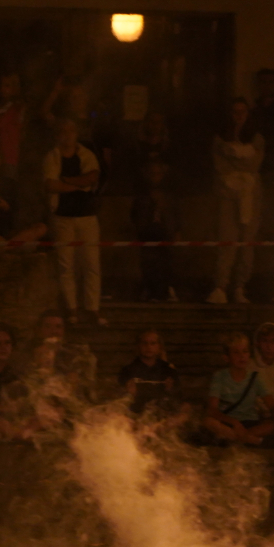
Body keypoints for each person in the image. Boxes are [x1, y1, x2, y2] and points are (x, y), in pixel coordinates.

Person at [44, 118, 105, 325]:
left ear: (77, 133)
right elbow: (51, 185)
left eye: (71, 130)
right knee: (66, 265)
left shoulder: (86, 155)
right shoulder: (52, 156)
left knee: (91, 264)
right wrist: (79, 185)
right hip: (63, 217)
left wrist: (67, 180)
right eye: (64, 131)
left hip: (87, 217)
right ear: (58, 134)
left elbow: (92, 178)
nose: (68, 135)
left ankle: (92, 308)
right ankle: (72, 309)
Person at [208, 98, 264, 305]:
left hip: (250, 195)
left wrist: (234, 157)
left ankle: (240, 286)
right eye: (235, 111)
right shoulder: (219, 138)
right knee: (226, 240)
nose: (239, 115)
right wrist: (239, 161)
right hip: (226, 193)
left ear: (248, 114)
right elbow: (220, 164)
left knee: (246, 242)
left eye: (243, 111)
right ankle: (221, 286)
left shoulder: (256, 137)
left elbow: (254, 163)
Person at [203, 332, 274, 446]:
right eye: (236, 352)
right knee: (209, 422)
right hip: (228, 422)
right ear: (226, 358)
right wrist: (234, 423)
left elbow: (272, 404)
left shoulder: (255, 377)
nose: (242, 356)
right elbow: (212, 409)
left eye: (245, 351)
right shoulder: (220, 377)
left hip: (250, 423)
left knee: (272, 425)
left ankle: (234, 438)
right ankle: (255, 441)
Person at [131, 159, 177, 303]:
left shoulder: (169, 193)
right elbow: (135, 214)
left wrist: (176, 230)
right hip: (147, 231)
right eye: (152, 173)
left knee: (166, 261)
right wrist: (138, 230)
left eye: (158, 173)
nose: (155, 177)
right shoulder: (141, 194)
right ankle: (150, 290)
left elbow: (175, 213)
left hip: (165, 231)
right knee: (148, 261)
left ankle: (165, 290)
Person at [118, 329, 181, 415]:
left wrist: (170, 389)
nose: (148, 347)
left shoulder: (168, 370)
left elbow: (178, 396)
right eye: (145, 343)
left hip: (161, 412)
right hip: (136, 412)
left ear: (159, 347)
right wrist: (129, 393)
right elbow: (120, 397)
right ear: (138, 346)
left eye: (153, 343)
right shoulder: (128, 370)